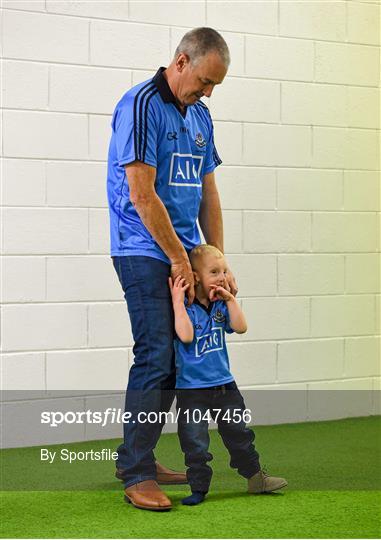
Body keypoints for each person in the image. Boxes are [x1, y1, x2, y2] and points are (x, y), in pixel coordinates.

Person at [107, 27, 237, 511]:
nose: (208, 92)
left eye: (215, 86)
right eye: (204, 80)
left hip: (185, 253)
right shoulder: (139, 104)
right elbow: (142, 194)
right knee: (157, 353)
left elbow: (209, 192)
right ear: (181, 61)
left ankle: (134, 457)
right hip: (141, 247)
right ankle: (138, 473)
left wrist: (216, 266)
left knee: (176, 361)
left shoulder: (201, 115)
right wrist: (182, 261)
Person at [169, 244, 288, 505]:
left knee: (239, 432)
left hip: (225, 386)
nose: (222, 276)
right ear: (196, 276)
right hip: (192, 390)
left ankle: (256, 478)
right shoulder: (187, 308)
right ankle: (198, 487)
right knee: (195, 441)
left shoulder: (221, 307)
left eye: (224, 271)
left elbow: (241, 327)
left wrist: (231, 299)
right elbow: (186, 335)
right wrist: (178, 302)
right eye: (214, 272)